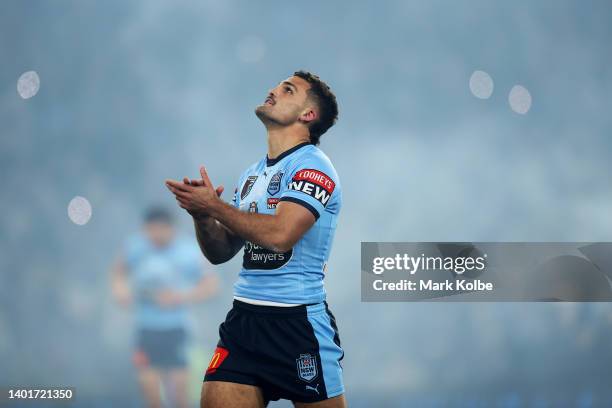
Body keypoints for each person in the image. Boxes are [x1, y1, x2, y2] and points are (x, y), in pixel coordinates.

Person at [165, 70, 345, 408]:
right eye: (276, 86)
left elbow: (280, 236)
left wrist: (215, 206)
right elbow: (220, 252)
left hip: (298, 325)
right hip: (244, 323)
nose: (273, 91)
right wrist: (204, 218)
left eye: (287, 90)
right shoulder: (252, 175)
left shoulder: (314, 167)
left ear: (308, 114)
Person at [110, 206, 219, 408]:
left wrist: (180, 297)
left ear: (171, 229)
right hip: (146, 329)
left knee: (178, 391)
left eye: (161, 229)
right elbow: (118, 272)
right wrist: (121, 291)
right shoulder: (135, 247)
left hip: (176, 328)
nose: (156, 235)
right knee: (150, 389)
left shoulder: (188, 250)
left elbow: (211, 285)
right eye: (151, 230)